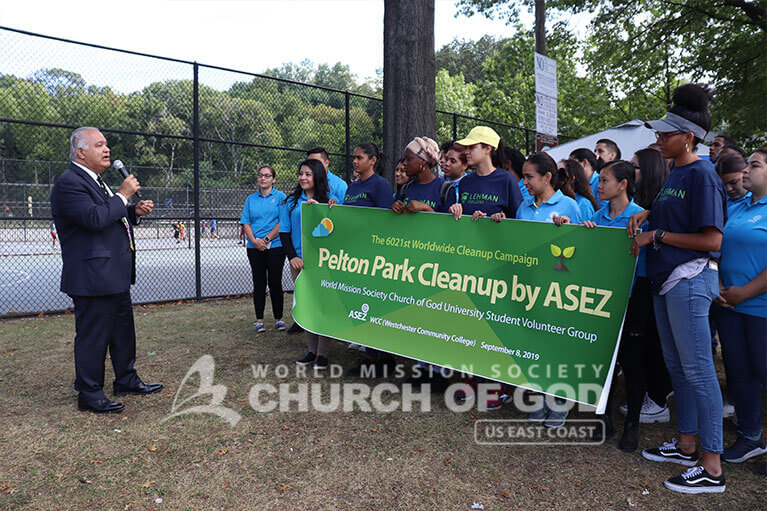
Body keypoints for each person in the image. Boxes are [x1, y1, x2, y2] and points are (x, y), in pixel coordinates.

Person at [628, 84, 727, 494]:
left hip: (689, 278)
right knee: (680, 368)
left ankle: (712, 466)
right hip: (668, 281)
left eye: (665, 135)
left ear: (688, 137)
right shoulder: (677, 172)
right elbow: (674, 214)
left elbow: (712, 241)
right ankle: (686, 445)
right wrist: (650, 211)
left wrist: (657, 235)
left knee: (700, 370)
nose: (658, 140)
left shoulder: (702, 173)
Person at [50, 127, 162, 414]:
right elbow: (93, 218)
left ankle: (126, 378)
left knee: (122, 331)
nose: (107, 149)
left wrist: (132, 210)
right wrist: (123, 195)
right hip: (91, 276)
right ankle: (89, 392)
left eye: (107, 144)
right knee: (93, 336)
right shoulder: (69, 183)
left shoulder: (98, 181)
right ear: (80, 152)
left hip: (113, 273)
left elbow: (109, 214)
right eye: (99, 145)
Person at [711, 148, 767, 464]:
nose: (747, 169)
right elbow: (720, 247)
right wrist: (719, 285)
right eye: (747, 164)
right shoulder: (740, 206)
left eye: (755, 165)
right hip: (729, 305)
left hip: (760, 308)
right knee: (740, 372)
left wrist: (744, 292)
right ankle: (750, 437)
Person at [339, 142, 395, 376]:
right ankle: (370, 356)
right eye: (354, 157)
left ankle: (386, 358)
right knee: (362, 306)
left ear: (372, 161)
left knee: (377, 307)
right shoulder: (352, 187)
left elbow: (386, 222)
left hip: (375, 257)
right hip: (354, 257)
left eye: (360, 157)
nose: (355, 161)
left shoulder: (380, 185)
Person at [281, 159, 332, 369]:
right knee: (307, 305)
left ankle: (323, 354)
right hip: (299, 262)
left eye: (308, 174)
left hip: (322, 262)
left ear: (317, 176)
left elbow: (333, 229)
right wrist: (292, 257)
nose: (303, 177)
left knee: (323, 306)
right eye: (301, 173)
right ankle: (311, 351)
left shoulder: (329, 201)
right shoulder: (291, 202)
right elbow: (284, 232)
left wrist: (323, 209)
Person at [240, 164, 287, 333]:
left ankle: (279, 319)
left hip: (275, 246)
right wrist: (254, 241)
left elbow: (282, 222)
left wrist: (266, 239)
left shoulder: (281, 197)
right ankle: (259, 320)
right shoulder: (250, 199)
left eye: (267, 176)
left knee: (275, 282)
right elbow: (246, 221)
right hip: (254, 248)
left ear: (273, 179)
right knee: (259, 282)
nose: (263, 178)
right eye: (260, 175)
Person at [448, 126, 523, 224]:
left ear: (488, 149)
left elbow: (519, 218)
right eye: (466, 148)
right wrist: (455, 210)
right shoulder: (465, 182)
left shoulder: (507, 179)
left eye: (472, 147)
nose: (466, 152)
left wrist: (501, 218)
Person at [392, 137, 443, 214]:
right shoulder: (405, 189)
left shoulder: (444, 189)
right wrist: (396, 207)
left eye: (409, 159)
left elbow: (448, 224)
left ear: (422, 161)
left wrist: (427, 208)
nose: (405, 163)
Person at [440, 145, 469, 212]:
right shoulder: (440, 183)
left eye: (452, 161)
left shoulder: (470, 185)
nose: (447, 164)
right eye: (446, 159)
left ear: (464, 166)